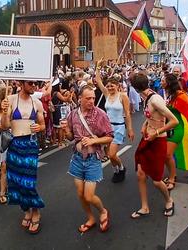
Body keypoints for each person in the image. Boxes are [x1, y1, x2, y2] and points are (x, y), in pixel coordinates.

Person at [61, 84, 113, 233]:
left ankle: (103, 211)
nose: (91, 101)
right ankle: (90, 217)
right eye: (88, 98)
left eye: (93, 98)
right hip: (77, 159)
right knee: (80, 194)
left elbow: (110, 137)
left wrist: (93, 141)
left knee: (89, 196)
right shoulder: (73, 114)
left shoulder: (100, 114)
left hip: (92, 160)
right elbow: (71, 137)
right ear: (80, 99)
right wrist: (66, 131)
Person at [130, 73, 178, 218]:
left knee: (157, 181)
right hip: (147, 139)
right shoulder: (147, 95)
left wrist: (156, 132)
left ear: (135, 87)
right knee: (140, 174)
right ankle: (145, 207)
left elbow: (173, 121)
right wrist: (145, 125)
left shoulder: (155, 100)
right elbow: (151, 115)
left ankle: (169, 200)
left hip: (157, 142)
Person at [1, 80, 45, 234]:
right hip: (14, 144)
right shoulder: (11, 99)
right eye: (31, 84)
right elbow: (4, 126)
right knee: (15, 181)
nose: (34, 86)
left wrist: (40, 127)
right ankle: (26, 210)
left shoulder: (37, 102)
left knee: (28, 181)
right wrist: (5, 112)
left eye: (36, 84)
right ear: (22, 84)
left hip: (30, 145)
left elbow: (43, 125)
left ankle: (36, 210)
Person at [95, 59, 134, 183]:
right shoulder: (106, 94)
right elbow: (98, 81)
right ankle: (116, 171)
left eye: (112, 85)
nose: (110, 87)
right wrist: (97, 67)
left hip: (118, 128)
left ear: (118, 86)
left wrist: (130, 129)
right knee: (108, 155)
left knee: (112, 154)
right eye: (108, 85)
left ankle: (121, 168)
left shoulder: (123, 96)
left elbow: (127, 113)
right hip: (107, 129)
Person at [161, 73, 188, 190]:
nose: (161, 82)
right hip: (166, 128)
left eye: (163, 80)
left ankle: (172, 178)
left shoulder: (181, 95)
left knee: (167, 154)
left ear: (169, 83)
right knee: (165, 155)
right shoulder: (167, 94)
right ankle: (173, 174)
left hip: (177, 129)